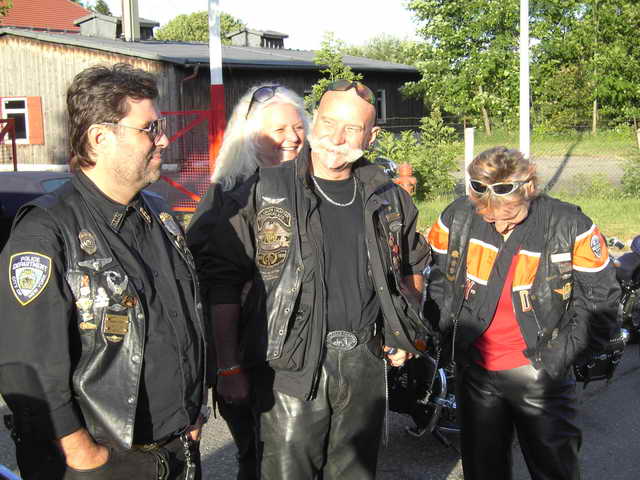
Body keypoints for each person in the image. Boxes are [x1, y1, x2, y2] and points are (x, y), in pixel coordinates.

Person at [201, 79, 431, 479]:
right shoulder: (261, 190)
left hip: (364, 362)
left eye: (352, 129)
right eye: (328, 123)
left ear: (371, 137)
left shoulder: (389, 197)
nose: (336, 138)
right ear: (314, 121)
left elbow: (412, 264)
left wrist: (403, 329)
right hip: (287, 367)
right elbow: (223, 284)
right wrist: (229, 368)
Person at [0, 63, 208, 479]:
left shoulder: (160, 216)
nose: (163, 139)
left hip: (176, 451)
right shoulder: (46, 231)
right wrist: (83, 455)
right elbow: (25, 365)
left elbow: (183, 320)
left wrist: (194, 410)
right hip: (102, 462)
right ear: (100, 138)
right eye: (149, 128)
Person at [426, 146, 620, 480]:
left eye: (510, 214)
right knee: (482, 472)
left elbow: (601, 303)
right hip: (476, 372)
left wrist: (559, 357)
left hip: (541, 374)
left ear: (529, 189)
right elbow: (440, 282)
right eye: (488, 216)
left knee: (555, 471)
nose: (499, 223)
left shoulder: (572, 225)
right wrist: (445, 338)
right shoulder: (455, 217)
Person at [187, 84, 308, 480]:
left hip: (302, 356)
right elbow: (216, 288)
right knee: (258, 457)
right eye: (279, 130)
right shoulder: (228, 198)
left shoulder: (313, 187)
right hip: (251, 356)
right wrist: (228, 368)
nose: (292, 138)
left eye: (298, 127)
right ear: (250, 138)